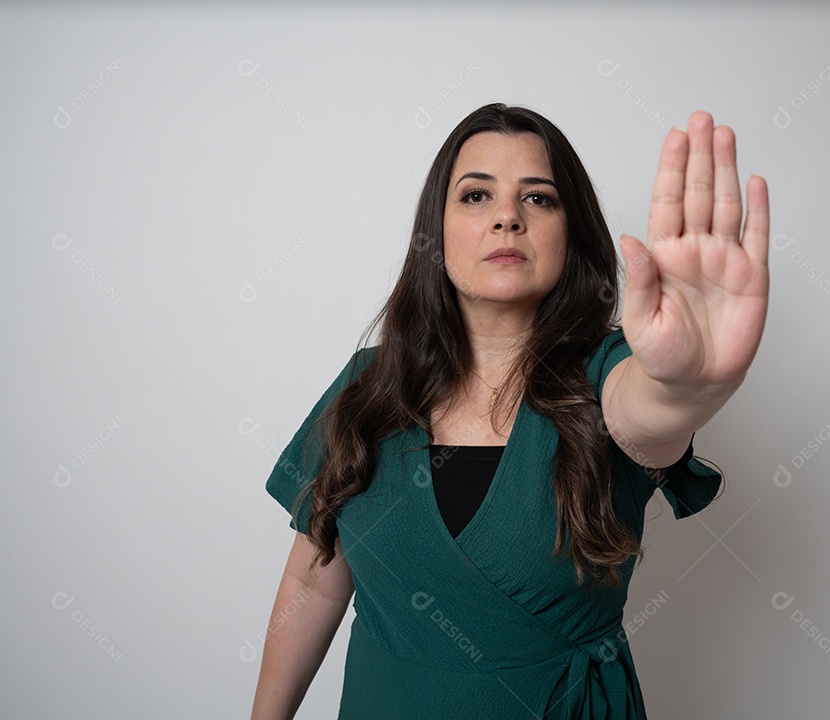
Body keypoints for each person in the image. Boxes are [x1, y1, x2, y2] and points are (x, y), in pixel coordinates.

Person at [251, 102, 770, 719]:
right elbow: (313, 580)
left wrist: (686, 386)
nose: (506, 218)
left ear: (569, 231)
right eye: (475, 196)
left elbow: (648, 416)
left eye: (539, 199)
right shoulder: (368, 385)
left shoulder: (609, 372)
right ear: (435, 230)